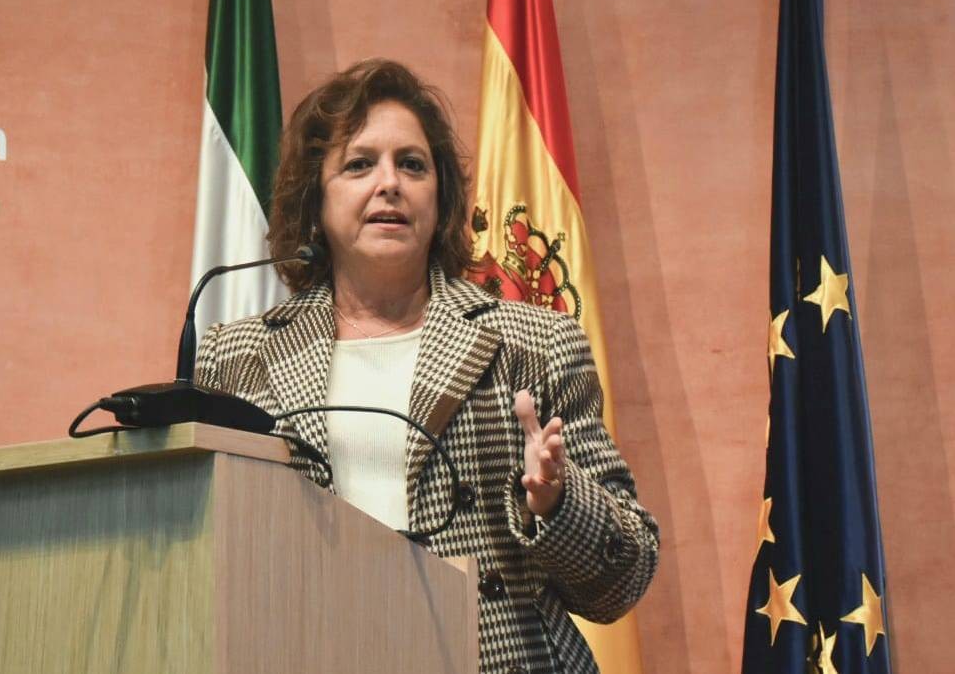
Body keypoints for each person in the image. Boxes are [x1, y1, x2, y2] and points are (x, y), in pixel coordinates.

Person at [194, 59, 658, 674]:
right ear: (315, 200)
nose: (389, 183)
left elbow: (623, 580)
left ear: (440, 200)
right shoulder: (239, 357)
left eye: (412, 165)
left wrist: (557, 499)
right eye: (359, 164)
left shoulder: (534, 343)